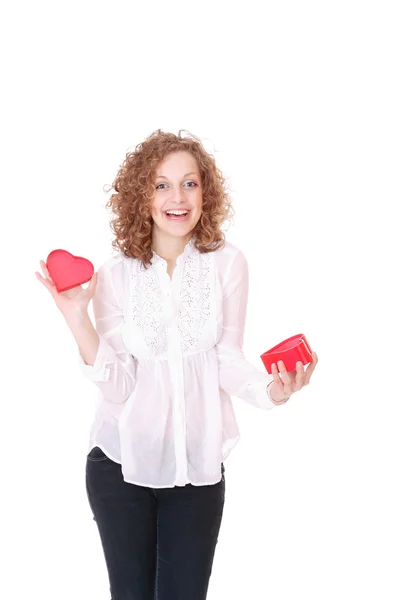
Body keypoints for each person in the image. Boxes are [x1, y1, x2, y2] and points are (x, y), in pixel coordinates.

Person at [36, 129, 318, 600]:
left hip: (198, 465)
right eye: (162, 184)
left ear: (206, 192)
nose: (178, 197)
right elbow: (120, 385)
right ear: (141, 195)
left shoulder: (228, 264)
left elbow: (226, 358)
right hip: (121, 465)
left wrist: (274, 392)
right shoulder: (115, 274)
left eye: (189, 183)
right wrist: (75, 317)